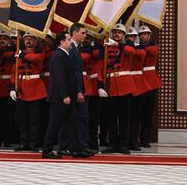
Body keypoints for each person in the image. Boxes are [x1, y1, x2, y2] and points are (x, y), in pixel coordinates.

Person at [58, 23, 95, 158]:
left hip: (75, 89)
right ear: (74, 33)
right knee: (78, 118)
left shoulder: (75, 48)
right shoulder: (71, 48)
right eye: (83, 33)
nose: (85, 36)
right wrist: (78, 90)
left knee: (76, 119)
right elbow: (73, 73)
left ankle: (73, 146)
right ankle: (77, 146)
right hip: (73, 90)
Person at [100, 23, 136, 154]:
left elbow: (131, 51)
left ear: (124, 36)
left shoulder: (127, 46)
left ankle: (123, 144)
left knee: (124, 118)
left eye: (119, 32)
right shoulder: (106, 48)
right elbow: (100, 66)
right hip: (110, 86)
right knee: (111, 118)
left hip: (124, 85)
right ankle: (112, 143)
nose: (117, 34)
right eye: (115, 32)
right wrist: (100, 86)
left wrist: (116, 44)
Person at [42, 31, 77, 159]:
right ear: (62, 42)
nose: (71, 41)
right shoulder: (58, 56)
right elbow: (59, 77)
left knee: (69, 123)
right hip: (59, 98)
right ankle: (47, 150)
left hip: (66, 97)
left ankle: (69, 147)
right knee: (54, 125)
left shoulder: (65, 55)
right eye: (68, 39)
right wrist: (65, 95)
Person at [10, 32, 46, 152]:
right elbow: (14, 72)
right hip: (22, 88)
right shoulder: (19, 54)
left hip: (35, 89)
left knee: (34, 119)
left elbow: (36, 59)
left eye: (31, 39)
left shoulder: (38, 52)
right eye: (26, 39)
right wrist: (12, 88)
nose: (28, 41)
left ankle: (33, 143)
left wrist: (21, 56)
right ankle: (23, 142)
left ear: (35, 41)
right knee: (22, 119)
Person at [138, 25, 162, 148]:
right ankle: (136, 138)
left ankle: (145, 139)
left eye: (145, 34)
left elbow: (147, 51)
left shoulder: (154, 47)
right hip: (139, 80)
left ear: (149, 35)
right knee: (138, 111)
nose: (143, 36)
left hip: (150, 80)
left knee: (148, 112)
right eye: (141, 34)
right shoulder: (137, 47)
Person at [127, 27, 149, 151]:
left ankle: (134, 140)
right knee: (126, 116)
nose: (130, 39)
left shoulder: (141, 48)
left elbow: (138, 54)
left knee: (136, 115)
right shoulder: (124, 48)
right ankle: (125, 140)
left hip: (138, 84)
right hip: (127, 81)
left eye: (132, 37)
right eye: (128, 37)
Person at [0, 29, 15, 148]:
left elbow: (9, 55)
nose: (2, 41)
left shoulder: (11, 51)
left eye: (5, 39)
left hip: (7, 87)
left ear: (9, 41)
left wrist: (3, 50)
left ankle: (7, 139)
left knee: (7, 116)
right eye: (0, 38)